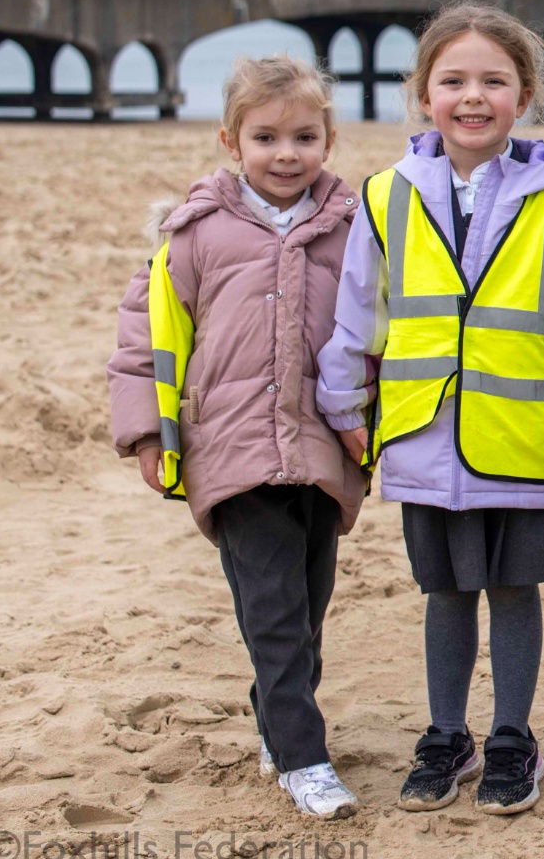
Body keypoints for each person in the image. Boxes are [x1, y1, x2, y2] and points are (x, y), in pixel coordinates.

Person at [317, 0, 544, 816]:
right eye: (453, 80)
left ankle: (514, 737)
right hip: (423, 435)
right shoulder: (385, 195)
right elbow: (360, 310)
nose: (473, 96)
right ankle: (445, 732)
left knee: (515, 590)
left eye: (494, 80)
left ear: (524, 94)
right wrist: (344, 398)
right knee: (445, 593)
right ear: (423, 94)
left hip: (521, 440)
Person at [107, 55, 367, 820]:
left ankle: (274, 716)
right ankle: (302, 754)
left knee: (308, 602)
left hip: (322, 446)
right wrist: (149, 437)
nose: (286, 153)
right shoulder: (194, 233)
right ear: (230, 140)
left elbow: (377, 332)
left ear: (328, 138)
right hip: (230, 448)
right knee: (272, 603)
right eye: (266, 137)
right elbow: (143, 338)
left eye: (304, 136)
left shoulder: (354, 229)